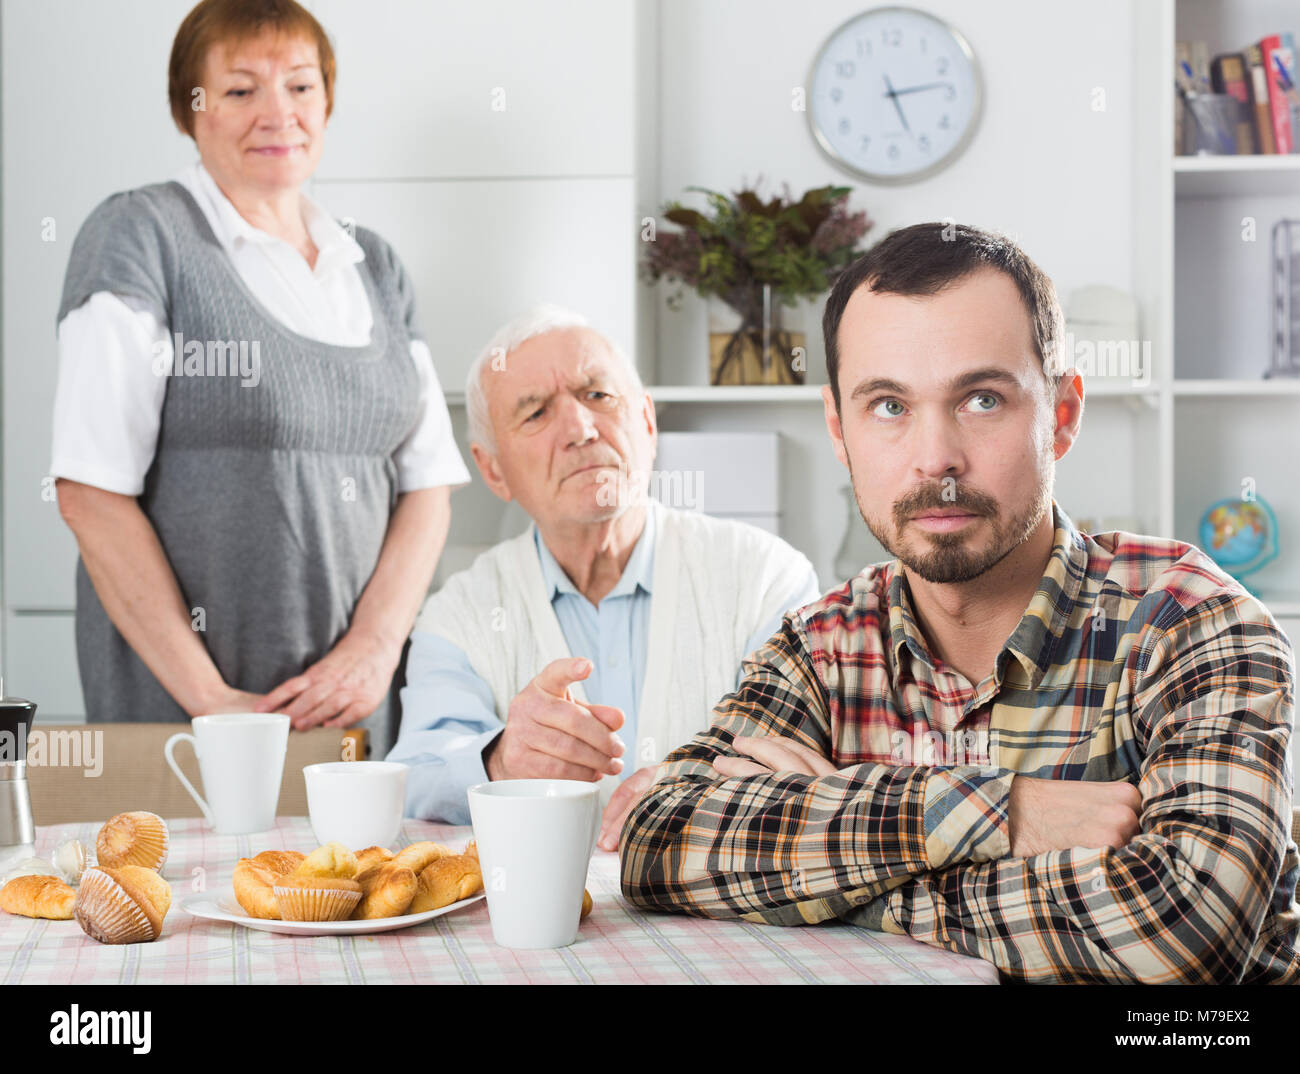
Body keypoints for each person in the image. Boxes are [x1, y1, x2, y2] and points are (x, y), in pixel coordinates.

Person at [619, 222, 1300, 984]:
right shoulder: (822, 643)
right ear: (838, 429)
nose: (935, 455)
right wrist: (1004, 814)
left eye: (981, 398)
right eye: (887, 405)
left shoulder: (1192, 621)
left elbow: (1184, 937)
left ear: (1063, 415)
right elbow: (658, 842)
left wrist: (842, 864)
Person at [51, 0, 468, 752]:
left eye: (301, 87)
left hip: (359, 716)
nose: (278, 113)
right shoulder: (140, 238)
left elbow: (427, 487)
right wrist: (214, 704)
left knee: (352, 869)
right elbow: (89, 493)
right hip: (196, 727)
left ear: (327, 103)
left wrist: (374, 651)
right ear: (192, 109)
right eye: (241, 90)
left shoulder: (373, 264)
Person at [387, 304, 820, 848]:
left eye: (598, 395)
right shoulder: (457, 616)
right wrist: (499, 760)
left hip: (722, 919)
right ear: (493, 470)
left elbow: (799, 759)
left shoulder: (767, 579)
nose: (580, 427)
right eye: (536, 412)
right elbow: (415, 774)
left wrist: (691, 789)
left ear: (646, 421)